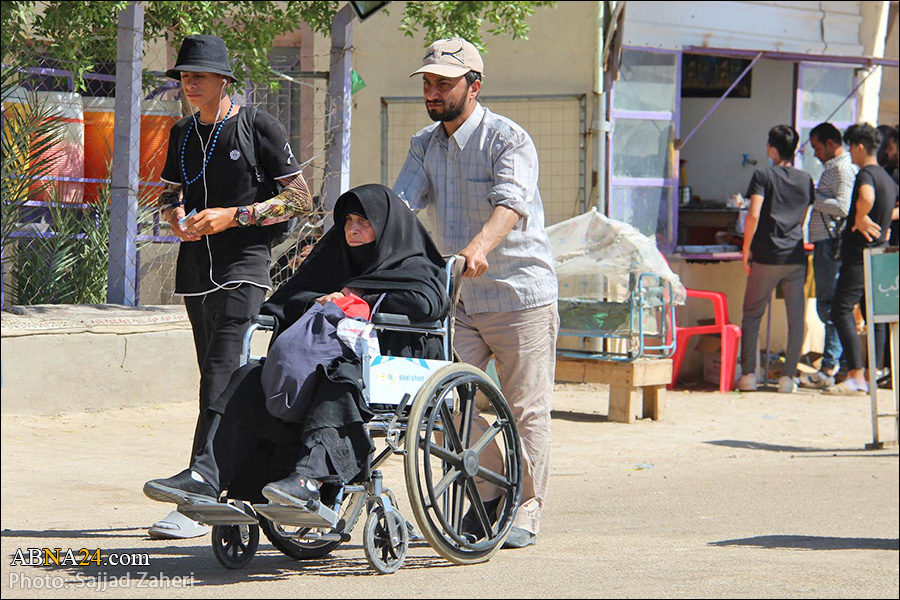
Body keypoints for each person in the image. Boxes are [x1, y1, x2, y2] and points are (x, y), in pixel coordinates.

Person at [144, 184, 449, 508]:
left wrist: (359, 296)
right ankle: (205, 477)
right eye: (347, 221)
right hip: (323, 356)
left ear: (387, 225)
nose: (352, 229)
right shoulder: (337, 260)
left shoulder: (413, 267)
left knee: (338, 381)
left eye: (363, 221)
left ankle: (309, 478)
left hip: (387, 364)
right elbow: (290, 300)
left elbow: (427, 304)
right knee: (248, 377)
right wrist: (321, 302)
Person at [393, 38, 559, 549]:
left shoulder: (509, 139)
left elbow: (510, 204)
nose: (433, 92)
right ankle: (493, 492)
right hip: (459, 302)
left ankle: (526, 508)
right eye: (427, 83)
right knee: (437, 402)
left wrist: (478, 248)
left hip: (519, 296)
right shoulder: (424, 143)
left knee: (525, 409)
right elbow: (401, 205)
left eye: (444, 83)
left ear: (474, 86)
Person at [149, 35, 313, 539]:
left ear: (224, 80)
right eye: (183, 76)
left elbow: (300, 200)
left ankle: (201, 483)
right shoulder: (181, 133)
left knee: (221, 372)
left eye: (198, 75)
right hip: (197, 270)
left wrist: (234, 217)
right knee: (213, 378)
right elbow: (169, 193)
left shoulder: (257, 125)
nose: (188, 84)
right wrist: (176, 218)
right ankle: (211, 483)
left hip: (245, 265)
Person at [737, 125, 815, 394]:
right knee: (796, 319)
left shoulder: (762, 175)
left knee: (751, 315)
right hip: (795, 256)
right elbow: (803, 216)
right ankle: (788, 378)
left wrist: (746, 248)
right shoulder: (806, 179)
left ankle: (748, 375)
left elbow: (754, 215)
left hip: (767, 255)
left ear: (771, 148)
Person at [826, 124, 897, 395]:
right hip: (880, 251)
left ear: (858, 146)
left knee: (841, 310)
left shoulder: (866, 174)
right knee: (874, 315)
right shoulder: (887, 178)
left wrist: (859, 217)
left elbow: (866, 196)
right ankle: (871, 374)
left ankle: (855, 373)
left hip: (859, 253)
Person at [800, 123, 857, 389]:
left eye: (818, 148)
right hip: (825, 243)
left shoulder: (841, 169)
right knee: (828, 307)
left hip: (831, 244)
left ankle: (829, 366)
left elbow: (843, 207)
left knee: (830, 307)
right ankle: (839, 363)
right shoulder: (833, 168)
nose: (816, 154)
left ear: (831, 143)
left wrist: (815, 197)